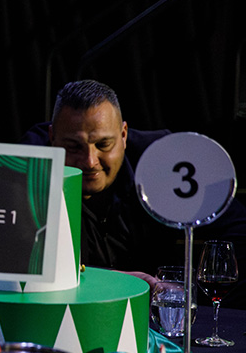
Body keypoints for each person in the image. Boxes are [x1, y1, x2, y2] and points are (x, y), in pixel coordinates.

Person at [21, 79, 246, 288]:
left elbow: (238, 227)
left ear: (124, 135)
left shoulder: (162, 159)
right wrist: (116, 280)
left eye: (103, 145)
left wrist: (192, 290)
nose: (89, 161)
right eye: (73, 146)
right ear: (52, 137)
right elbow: (16, 262)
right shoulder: (26, 166)